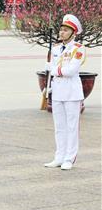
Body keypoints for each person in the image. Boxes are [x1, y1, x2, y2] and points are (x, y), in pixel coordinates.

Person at [44, 14, 86, 171]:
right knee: (59, 127)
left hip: (72, 93)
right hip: (58, 92)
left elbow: (70, 70)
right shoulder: (55, 48)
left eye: (66, 30)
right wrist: (48, 84)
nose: (62, 32)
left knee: (71, 127)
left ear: (73, 33)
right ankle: (59, 156)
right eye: (61, 29)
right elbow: (53, 71)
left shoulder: (78, 49)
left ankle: (69, 158)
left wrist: (52, 69)